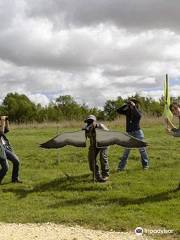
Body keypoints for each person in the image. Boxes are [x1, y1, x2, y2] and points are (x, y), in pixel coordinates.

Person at [116, 98, 149, 171]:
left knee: (142, 150)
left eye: (132, 103)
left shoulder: (138, 111)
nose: (130, 105)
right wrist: (125, 105)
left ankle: (145, 165)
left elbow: (138, 116)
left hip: (137, 133)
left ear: (136, 104)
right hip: (129, 133)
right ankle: (120, 168)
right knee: (126, 151)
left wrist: (133, 106)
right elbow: (118, 110)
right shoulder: (127, 111)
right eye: (130, 103)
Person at [83, 115, 110, 182]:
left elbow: (108, 135)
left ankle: (105, 174)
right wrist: (84, 133)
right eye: (88, 122)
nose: (89, 123)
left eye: (91, 121)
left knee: (103, 157)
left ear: (95, 122)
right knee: (91, 158)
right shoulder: (86, 129)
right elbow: (84, 139)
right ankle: (97, 175)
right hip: (94, 144)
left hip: (104, 143)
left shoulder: (101, 126)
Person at [0, 115, 22, 184]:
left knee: (16, 161)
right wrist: (3, 121)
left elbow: (7, 129)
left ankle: (15, 179)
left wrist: (6, 120)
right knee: (5, 167)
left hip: (4, 148)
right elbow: (1, 132)